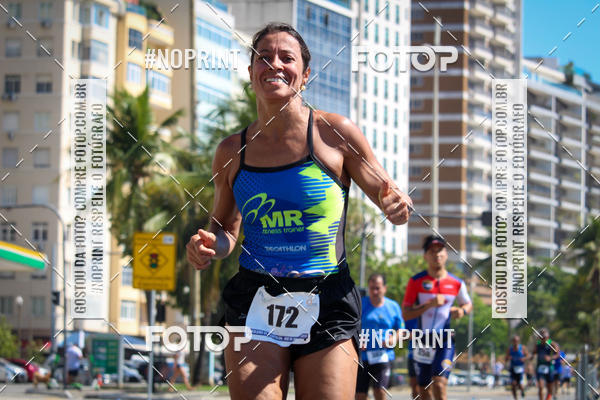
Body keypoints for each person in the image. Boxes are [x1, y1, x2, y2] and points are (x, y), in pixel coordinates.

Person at [186, 22, 412, 400]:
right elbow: (224, 230)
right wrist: (208, 245)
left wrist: (397, 208)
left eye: (286, 58)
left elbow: (389, 194)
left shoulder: (334, 134)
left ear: (305, 75)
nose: (274, 64)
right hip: (257, 298)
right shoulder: (231, 151)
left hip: (328, 298)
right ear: (251, 73)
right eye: (264, 57)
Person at [401, 235, 472, 400]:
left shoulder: (456, 283)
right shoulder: (416, 281)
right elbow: (406, 313)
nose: (437, 255)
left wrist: (462, 311)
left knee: (439, 384)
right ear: (425, 256)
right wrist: (429, 305)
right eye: (432, 251)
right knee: (424, 390)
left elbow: (468, 304)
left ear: (446, 254)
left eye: (440, 251)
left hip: (444, 340)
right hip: (422, 340)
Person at [356, 273, 405, 400]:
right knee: (360, 395)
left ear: (385, 288)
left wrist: (394, 338)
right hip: (363, 356)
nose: (375, 292)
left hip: (383, 356)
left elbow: (401, 329)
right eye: (372, 288)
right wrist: (357, 340)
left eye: (377, 288)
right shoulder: (361, 304)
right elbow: (351, 326)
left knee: (380, 391)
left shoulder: (393, 306)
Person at [532, 328, 559, 400]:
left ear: (548, 337)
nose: (543, 339)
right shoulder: (538, 344)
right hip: (540, 367)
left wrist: (550, 358)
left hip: (549, 367)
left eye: (545, 337)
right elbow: (533, 353)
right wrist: (531, 356)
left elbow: (557, 354)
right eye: (541, 337)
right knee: (541, 387)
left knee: (550, 388)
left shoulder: (552, 343)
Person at [506, 335, 530, 399]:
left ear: (519, 341)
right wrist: (508, 358)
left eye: (517, 341)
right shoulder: (510, 349)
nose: (515, 342)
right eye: (514, 341)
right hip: (513, 369)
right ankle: (515, 398)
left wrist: (524, 358)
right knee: (513, 384)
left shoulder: (522, 348)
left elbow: (528, 356)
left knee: (520, 385)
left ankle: (522, 391)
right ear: (512, 341)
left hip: (520, 368)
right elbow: (506, 358)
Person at [405, 318, 419, 400]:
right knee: (414, 386)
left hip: (431, 356)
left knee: (428, 386)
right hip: (413, 356)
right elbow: (403, 334)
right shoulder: (409, 317)